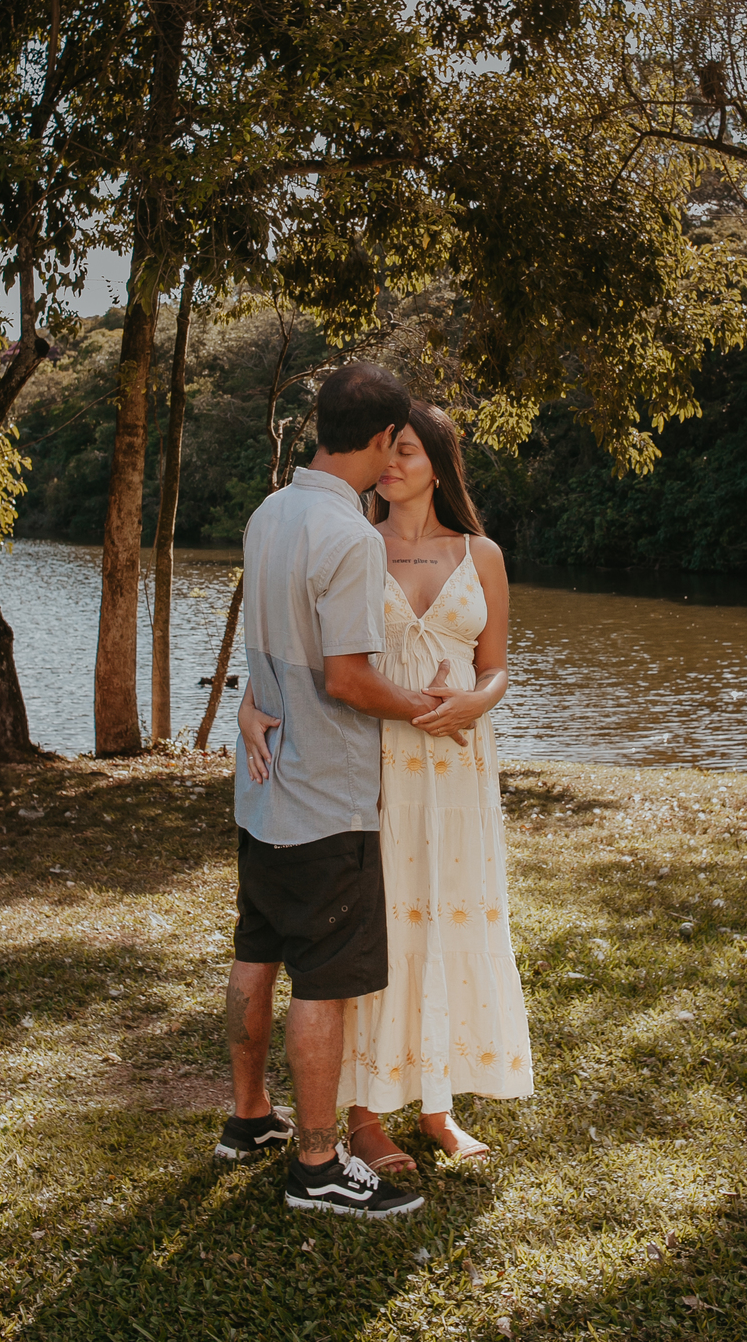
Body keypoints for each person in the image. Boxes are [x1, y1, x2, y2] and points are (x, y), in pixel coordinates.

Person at [217, 362, 441, 1220]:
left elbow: (268, 642)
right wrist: (427, 708)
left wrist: (250, 700)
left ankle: (247, 1120)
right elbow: (348, 680)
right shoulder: (349, 537)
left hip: (264, 790)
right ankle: (316, 1165)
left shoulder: (272, 510)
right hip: (324, 797)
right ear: (385, 441)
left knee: (257, 948)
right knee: (325, 979)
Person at [338, 400, 533, 1171]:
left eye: (407, 451)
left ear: (438, 462)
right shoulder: (356, 545)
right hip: (379, 755)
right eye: (384, 450)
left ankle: (438, 1107)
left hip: (459, 767)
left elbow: (496, 666)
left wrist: (476, 703)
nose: (390, 464)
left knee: (449, 920)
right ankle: (362, 1115)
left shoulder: (480, 553)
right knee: (382, 923)